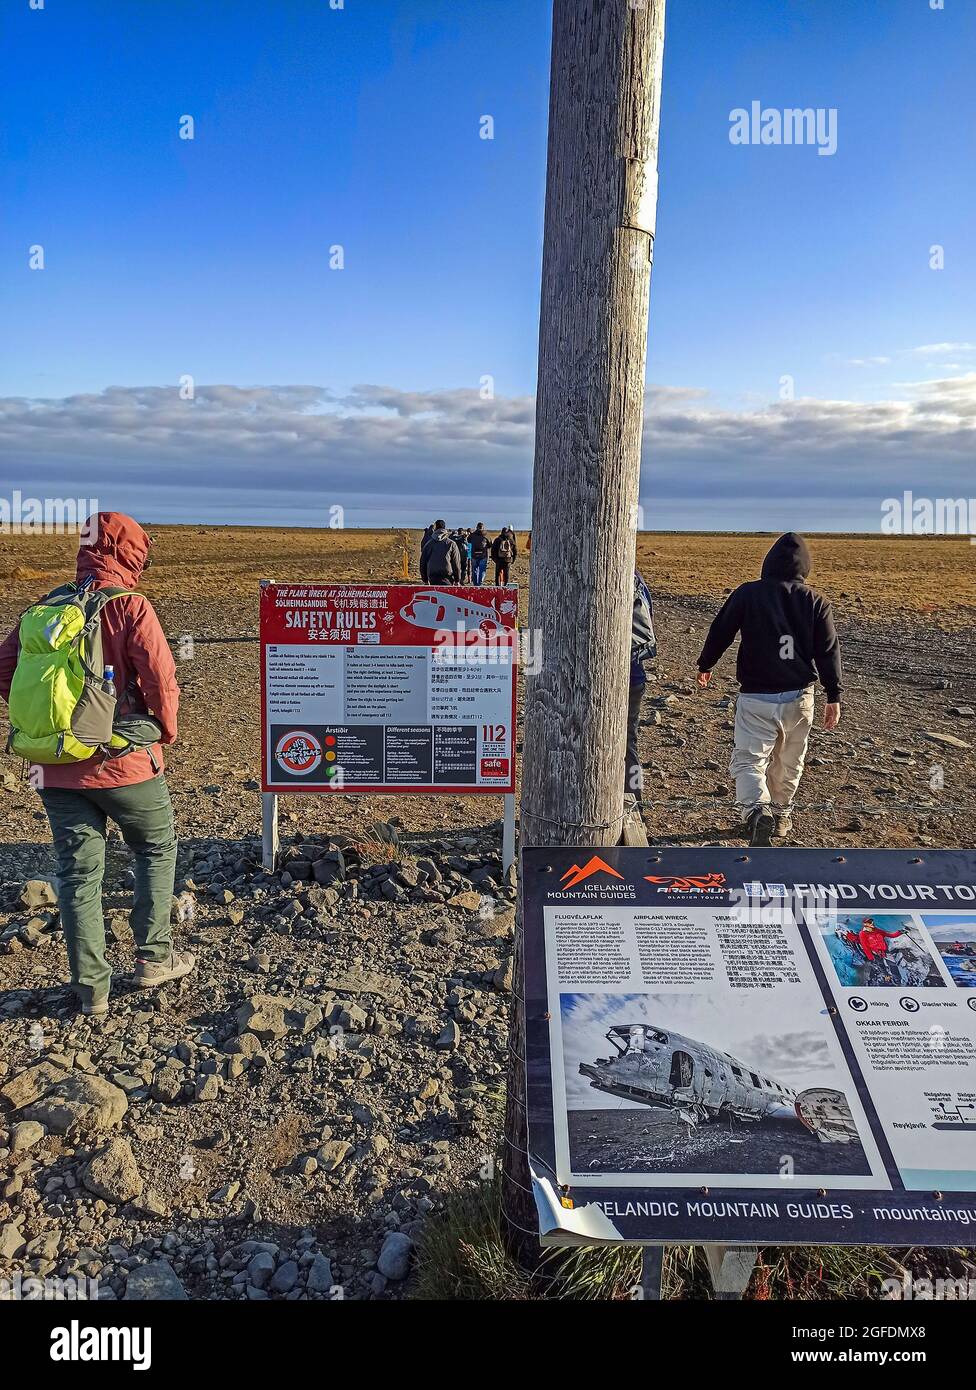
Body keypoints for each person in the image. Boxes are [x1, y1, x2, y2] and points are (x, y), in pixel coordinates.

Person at [0, 513, 193, 1016]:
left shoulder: (44, 607)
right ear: (132, 553)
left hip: (55, 765)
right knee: (154, 846)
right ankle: (154, 958)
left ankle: (91, 992)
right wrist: (162, 733)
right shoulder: (130, 606)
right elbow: (160, 680)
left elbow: (5, 675)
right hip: (122, 762)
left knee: (78, 873)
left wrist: (54, 721)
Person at [696, 532, 842, 847]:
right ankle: (781, 815)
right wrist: (834, 695)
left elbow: (721, 630)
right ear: (806, 567)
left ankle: (756, 811)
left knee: (749, 759)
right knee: (790, 759)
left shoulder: (748, 594)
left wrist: (706, 664)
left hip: (756, 696)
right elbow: (828, 650)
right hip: (799, 696)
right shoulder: (816, 602)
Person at [626, 570, 656, 807]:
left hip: (590, 677)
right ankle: (634, 799)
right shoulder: (638, 583)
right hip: (633, 673)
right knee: (628, 739)